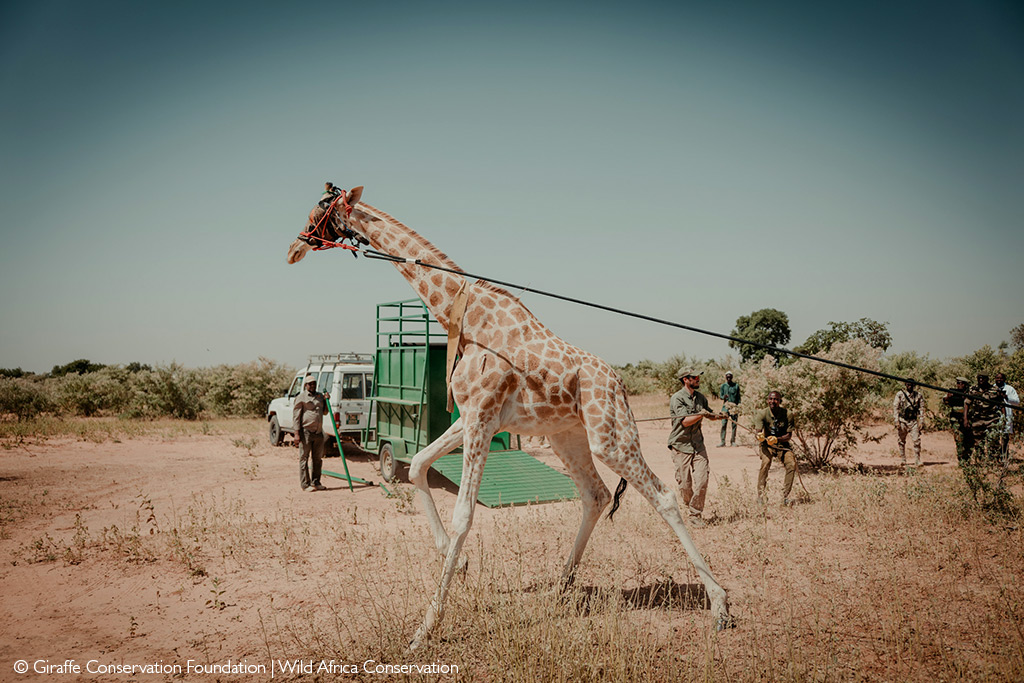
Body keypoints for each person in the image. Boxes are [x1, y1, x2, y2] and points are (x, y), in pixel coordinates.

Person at [668, 367, 727, 527]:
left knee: (702, 481)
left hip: (698, 446)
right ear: (685, 379)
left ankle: (695, 515)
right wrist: (701, 414)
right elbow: (685, 421)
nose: (698, 379)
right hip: (681, 446)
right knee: (685, 485)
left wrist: (720, 415)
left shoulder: (701, 398)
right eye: (694, 377)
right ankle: (689, 504)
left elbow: (709, 414)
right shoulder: (677, 398)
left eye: (698, 377)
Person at [754, 390, 797, 506]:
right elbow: (757, 432)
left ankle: (785, 496)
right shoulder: (762, 414)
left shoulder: (788, 414)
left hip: (783, 445)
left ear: (780, 401)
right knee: (766, 462)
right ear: (768, 400)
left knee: (791, 464)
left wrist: (777, 439)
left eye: (776, 399)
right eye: (771, 399)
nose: (773, 401)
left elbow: (789, 436)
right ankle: (761, 496)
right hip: (767, 445)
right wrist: (760, 436)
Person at [293, 374, 327, 492]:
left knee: (317, 459)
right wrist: (296, 434)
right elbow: (296, 417)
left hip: (318, 432)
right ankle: (305, 484)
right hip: (306, 432)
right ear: (306, 385)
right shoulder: (301, 397)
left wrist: (327, 400)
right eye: (310, 384)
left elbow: (325, 412)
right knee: (304, 458)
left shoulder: (320, 397)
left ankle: (316, 482)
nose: (312, 386)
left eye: (314, 383)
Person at [964, 373, 1005, 460]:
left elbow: (1002, 405)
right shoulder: (973, 390)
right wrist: (965, 419)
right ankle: (981, 462)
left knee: (993, 441)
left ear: (987, 379)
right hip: (978, 419)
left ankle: (994, 461)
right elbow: (967, 404)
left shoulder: (994, 389)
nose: (981, 380)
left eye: (983, 378)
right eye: (979, 378)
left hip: (992, 419)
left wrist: (1004, 418)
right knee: (978, 442)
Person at [892, 379, 924, 467]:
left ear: (914, 385)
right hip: (902, 420)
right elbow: (896, 407)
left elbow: (921, 409)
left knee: (916, 441)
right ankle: (903, 459)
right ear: (905, 385)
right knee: (901, 441)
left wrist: (921, 421)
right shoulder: (900, 394)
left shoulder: (918, 395)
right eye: (908, 384)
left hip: (913, 421)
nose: (909, 386)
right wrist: (896, 420)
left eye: (911, 385)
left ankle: (917, 460)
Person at [942, 377, 973, 463]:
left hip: (968, 420)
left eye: (962, 383)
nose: (960, 385)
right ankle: (961, 461)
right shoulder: (953, 392)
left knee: (969, 441)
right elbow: (944, 401)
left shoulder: (970, 393)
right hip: (956, 420)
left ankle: (967, 459)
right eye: (958, 383)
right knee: (959, 440)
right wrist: (948, 398)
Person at [994, 372, 1019, 458]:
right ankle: (995, 456)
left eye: (1001, 378)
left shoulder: (1010, 389)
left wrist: (1006, 397)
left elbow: (1017, 402)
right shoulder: (992, 388)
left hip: (1006, 415)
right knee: (994, 436)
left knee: (1005, 437)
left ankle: (1004, 456)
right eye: (997, 378)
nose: (999, 380)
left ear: (1004, 379)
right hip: (994, 416)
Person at [718, 371, 741, 447]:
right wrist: (723, 397)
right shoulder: (723, 386)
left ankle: (733, 441)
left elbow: (738, 397)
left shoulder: (736, 386)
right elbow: (721, 396)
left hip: (734, 407)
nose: (728, 378)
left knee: (734, 424)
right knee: (724, 423)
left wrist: (738, 407)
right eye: (727, 377)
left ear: (732, 377)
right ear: (725, 377)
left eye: (730, 377)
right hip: (725, 407)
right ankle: (722, 441)